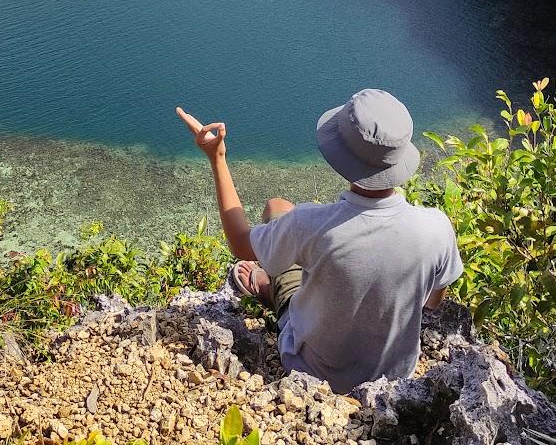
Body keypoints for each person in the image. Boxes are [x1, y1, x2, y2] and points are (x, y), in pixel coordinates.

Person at [174, 89, 463, 393]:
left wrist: (217, 158)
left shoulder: (309, 224)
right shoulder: (436, 228)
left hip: (311, 370)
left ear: (343, 155)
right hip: (393, 380)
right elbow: (431, 302)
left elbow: (240, 243)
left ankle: (268, 289)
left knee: (276, 208)